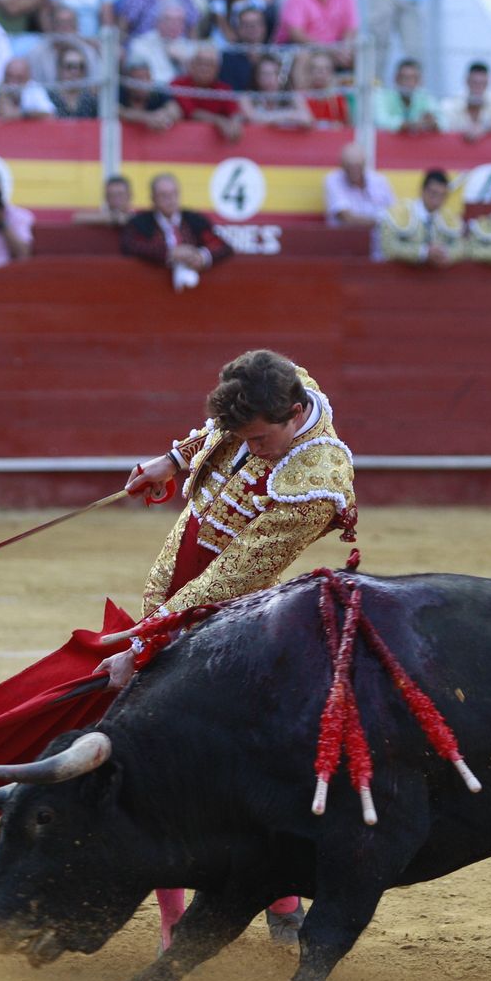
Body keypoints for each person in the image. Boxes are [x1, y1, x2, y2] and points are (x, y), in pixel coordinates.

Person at [98, 348, 356, 948]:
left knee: (218, 765)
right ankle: (192, 915)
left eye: (261, 440)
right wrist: (170, 460)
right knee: (166, 753)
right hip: (179, 578)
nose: (253, 449)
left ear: (294, 416)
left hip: (228, 620)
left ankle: (279, 896)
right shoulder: (273, 388)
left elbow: (232, 576)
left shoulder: (316, 483)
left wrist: (147, 640)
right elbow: (218, 432)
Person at [121, 173, 234, 291]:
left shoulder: (195, 220)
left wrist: (202, 256)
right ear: (153, 198)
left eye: (174, 194)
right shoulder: (140, 222)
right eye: (163, 195)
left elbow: (222, 245)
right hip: (152, 288)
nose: (170, 199)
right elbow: (130, 245)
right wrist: (170, 252)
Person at [379, 168, 464, 266]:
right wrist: (423, 253)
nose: (437, 201)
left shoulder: (449, 218)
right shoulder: (399, 213)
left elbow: (461, 246)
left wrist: (445, 253)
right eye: (433, 193)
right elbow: (388, 247)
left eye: (443, 195)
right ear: (422, 190)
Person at [171, 44, 244, 141]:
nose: (204, 68)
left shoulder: (223, 89)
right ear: (192, 65)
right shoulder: (178, 84)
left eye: (210, 64)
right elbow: (192, 113)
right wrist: (219, 121)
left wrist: (236, 122)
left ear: (217, 69)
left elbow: (234, 112)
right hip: (182, 142)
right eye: (200, 63)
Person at [324, 142, 393, 227]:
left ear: (364, 165)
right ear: (342, 166)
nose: (354, 171)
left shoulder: (379, 180)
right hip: (344, 237)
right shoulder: (333, 180)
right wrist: (382, 222)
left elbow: (393, 211)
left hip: (378, 237)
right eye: (349, 166)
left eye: (357, 166)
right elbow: (347, 218)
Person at [126, 1, 195, 82]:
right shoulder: (140, 44)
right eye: (169, 19)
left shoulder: (189, 47)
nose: (175, 24)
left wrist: (183, 61)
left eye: (179, 20)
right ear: (158, 21)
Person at [240, 53, 314, 129]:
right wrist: (291, 115)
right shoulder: (247, 97)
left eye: (275, 73)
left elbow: (307, 119)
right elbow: (252, 118)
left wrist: (268, 118)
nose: (270, 79)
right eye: (264, 74)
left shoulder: (290, 95)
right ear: (256, 77)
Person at [374, 57, 440, 133]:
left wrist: (433, 123)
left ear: (420, 80)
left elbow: (444, 121)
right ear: (396, 78)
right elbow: (380, 121)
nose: (409, 83)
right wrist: (409, 125)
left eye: (414, 78)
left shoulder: (425, 97)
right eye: (405, 78)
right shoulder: (382, 96)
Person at [118, 58, 184, 129]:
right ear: (128, 81)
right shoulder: (120, 91)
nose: (143, 83)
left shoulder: (157, 91)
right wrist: (147, 117)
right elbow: (117, 111)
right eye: (138, 78)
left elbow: (175, 110)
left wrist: (162, 116)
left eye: (147, 77)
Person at [217, 5, 271, 91]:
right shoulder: (228, 58)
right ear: (238, 29)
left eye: (256, 23)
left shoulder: (274, 54)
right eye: (246, 24)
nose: (252, 28)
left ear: (264, 27)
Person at [299, 49, 351, 127]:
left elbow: (347, 126)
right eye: (317, 69)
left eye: (327, 69)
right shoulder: (301, 97)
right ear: (309, 72)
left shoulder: (338, 98)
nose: (322, 73)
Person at [50, 49, 100, 118]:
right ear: (60, 69)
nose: (75, 72)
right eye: (69, 66)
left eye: (81, 67)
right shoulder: (48, 98)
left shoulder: (92, 100)